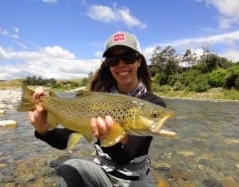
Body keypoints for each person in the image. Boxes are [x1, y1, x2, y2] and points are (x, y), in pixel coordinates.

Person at [28, 31, 167, 187]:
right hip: (100, 174)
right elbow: (64, 141)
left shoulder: (152, 106)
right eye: (114, 60)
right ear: (108, 65)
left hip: (135, 180)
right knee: (69, 168)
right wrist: (43, 129)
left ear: (139, 61)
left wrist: (107, 136)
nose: (121, 64)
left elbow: (125, 156)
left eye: (128, 57)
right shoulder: (97, 100)